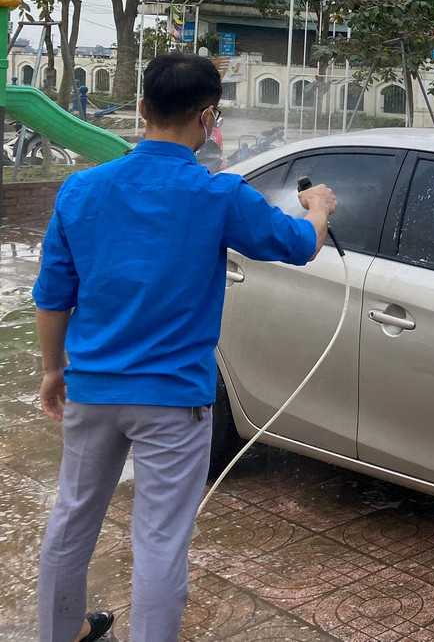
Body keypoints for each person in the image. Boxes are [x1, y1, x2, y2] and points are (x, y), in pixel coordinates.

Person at [33, 53, 338, 642]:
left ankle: (60, 632)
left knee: (71, 520)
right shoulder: (219, 194)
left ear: (142, 108)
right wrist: (318, 209)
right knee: (159, 540)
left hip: (92, 389)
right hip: (174, 403)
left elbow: (53, 296)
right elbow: (299, 245)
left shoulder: (81, 190)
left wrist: (53, 371)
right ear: (208, 117)